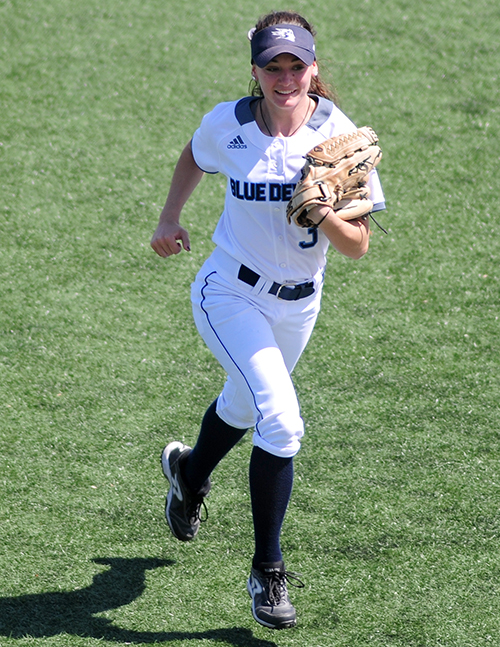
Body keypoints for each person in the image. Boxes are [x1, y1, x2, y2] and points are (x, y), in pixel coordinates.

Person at [151, 10, 385, 630]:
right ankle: (267, 571)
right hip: (228, 292)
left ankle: (188, 473)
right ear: (255, 71)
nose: (285, 78)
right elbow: (193, 157)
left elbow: (357, 246)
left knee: (244, 401)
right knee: (280, 418)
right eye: (272, 66)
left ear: (313, 67)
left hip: (300, 303)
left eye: (295, 66)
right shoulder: (228, 125)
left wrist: (321, 212)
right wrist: (170, 217)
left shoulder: (340, 137)